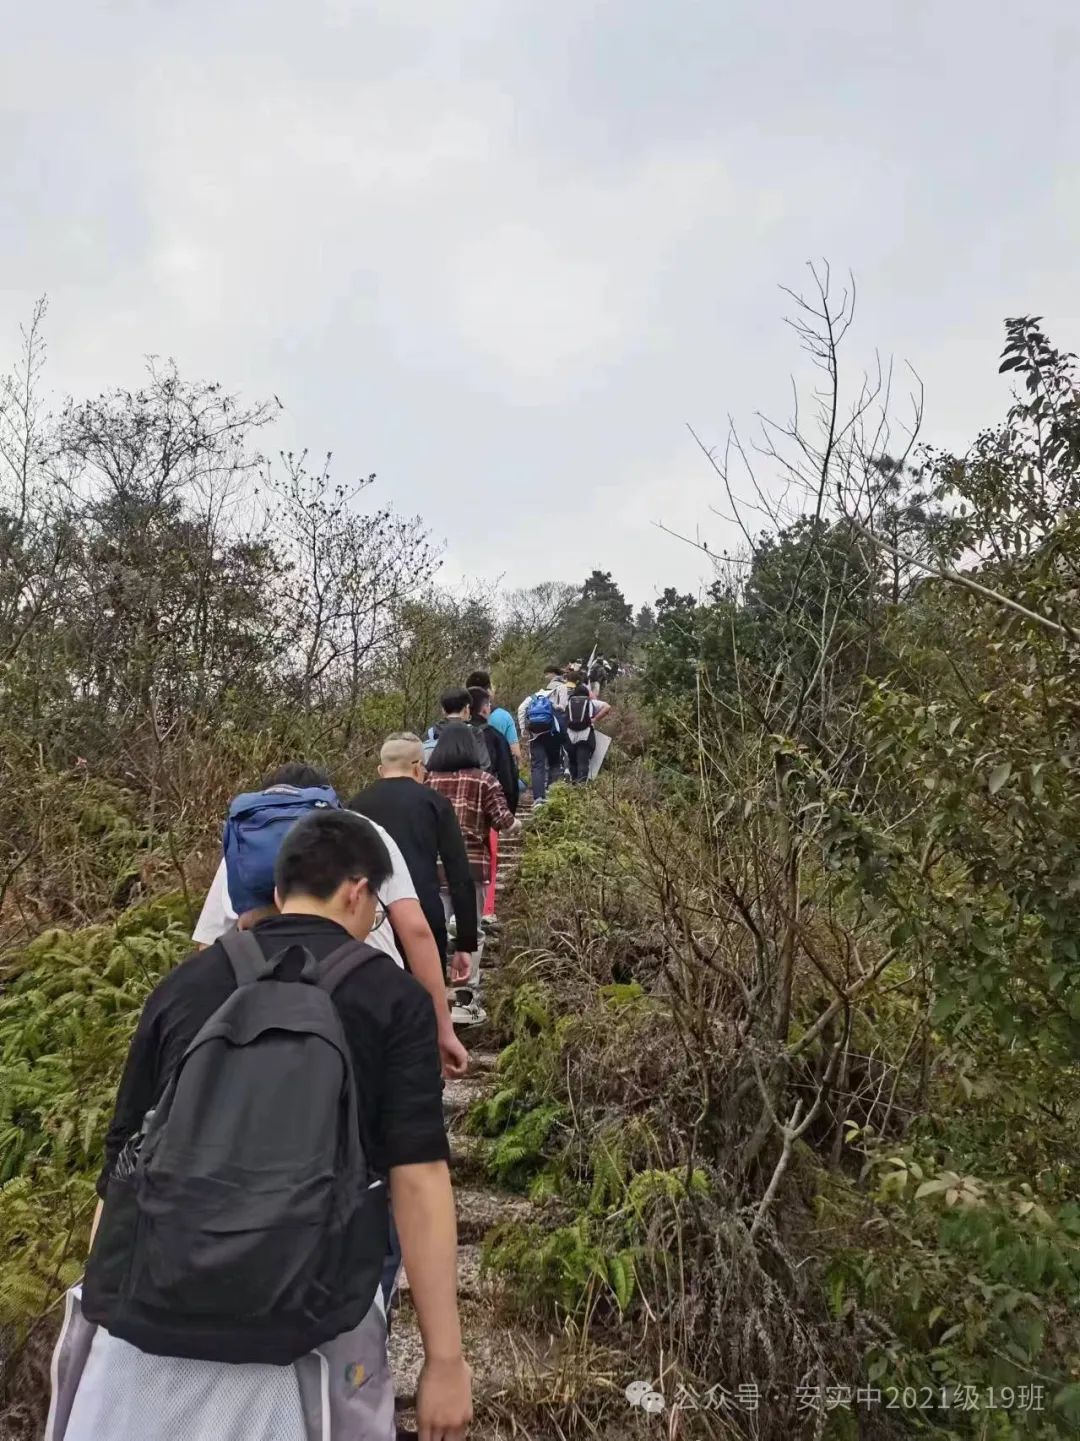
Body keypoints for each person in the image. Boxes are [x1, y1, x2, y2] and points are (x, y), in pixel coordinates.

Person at [54, 809, 472, 1441]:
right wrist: (444, 1360)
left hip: (145, 1347)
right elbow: (417, 1177)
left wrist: (110, 1303)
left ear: (280, 893)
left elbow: (121, 1166)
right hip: (306, 1344)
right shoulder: (391, 997)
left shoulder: (183, 985)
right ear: (359, 891)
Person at [192, 764, 467, 1081]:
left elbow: (208, 944)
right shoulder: (363, 831)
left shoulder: (246, 842)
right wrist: (442, 1027)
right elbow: (415, 929)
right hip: (373, 994)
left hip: (263, 1012)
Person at [348, 733, 478, 998]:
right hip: (423, 915)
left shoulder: (355, 805)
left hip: (370, 919)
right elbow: (459, 873)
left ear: (380, 770)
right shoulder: (435, 803)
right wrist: (465, 942)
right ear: (419, 767)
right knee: (427, 1002)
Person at [425, 724, 520, 1022]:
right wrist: (520, 826)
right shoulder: (485, 781)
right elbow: (504, 822)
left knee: (433, 930)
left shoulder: (427, 781)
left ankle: (432, 995)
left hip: (433, 867)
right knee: (472, 932)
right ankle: (465, 1001)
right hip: (472, 866)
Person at [465, 671, 520, 925]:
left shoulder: (446, 732)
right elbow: (509, 777)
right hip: (486, 807)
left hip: (451, 807)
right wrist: (508, 811)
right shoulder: (494, 735)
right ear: (485, 708)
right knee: (488, 856)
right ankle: (486, 910)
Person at [517, 665, 570, 805]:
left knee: (537, 766)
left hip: (536, 735)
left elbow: (521, 709)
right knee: (554, 763)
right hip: (554, 733)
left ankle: (538, 799)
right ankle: (551, 794)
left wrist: (523, 729)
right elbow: (563, 706)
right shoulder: (562, 688)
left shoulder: (534, 696)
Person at [423, 689, 489, 769]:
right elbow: (484, 765)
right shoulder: (475, 733)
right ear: (466, 709)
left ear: (443, 710)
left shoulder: (432, 733)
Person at [565, 682, 612, 784]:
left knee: (572, 762)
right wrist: (595, 719)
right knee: (583, 763)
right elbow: (607, 707)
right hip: (585, 736)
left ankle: (572, 786)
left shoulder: (569, 701)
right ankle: (580, 788)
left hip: (570, 736)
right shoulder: (591, 702)